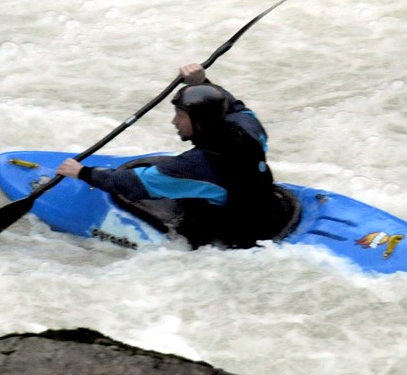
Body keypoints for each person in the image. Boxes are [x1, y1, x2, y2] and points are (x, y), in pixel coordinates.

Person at [56, 63, 298, 249]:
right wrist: (201, 82)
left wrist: (82, 172)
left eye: (180, 116)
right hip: (272, 210)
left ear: (201, 122)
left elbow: (131, 185)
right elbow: (232, 106)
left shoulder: (194, 167)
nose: (174, 121)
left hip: (237, 235)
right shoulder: (249, 128)